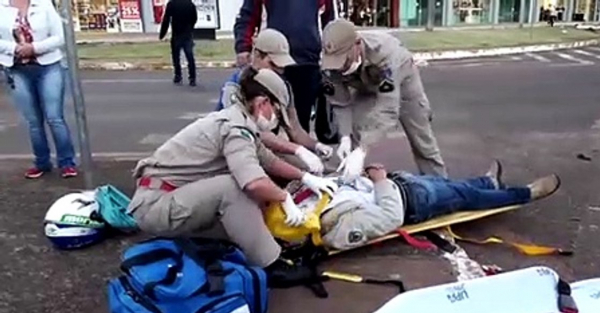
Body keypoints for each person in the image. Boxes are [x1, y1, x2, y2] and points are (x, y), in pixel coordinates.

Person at [127, 68, 338, 277]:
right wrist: (284, 198)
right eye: (276, 110)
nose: (276, 119)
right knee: (234, 187)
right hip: (157, 206)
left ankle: (263, 247)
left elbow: (268, 160)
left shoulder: (239, 120)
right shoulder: (235, 129)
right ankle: (271, 266)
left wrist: (305, 177)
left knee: (249, 194)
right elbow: (253, 182)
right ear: (262, 103)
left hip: (168, 198)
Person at [317, 161, 561, 251]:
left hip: (403, 185)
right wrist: (380, 181)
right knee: (470, 197)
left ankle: (489, 181)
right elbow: (391, 218)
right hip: (414, 201)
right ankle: (527, 193)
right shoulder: (334, 231)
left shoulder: (308, 202)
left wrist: (362, 174)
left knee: (458, 187)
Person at [320, 18, 447, 182]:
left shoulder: (385, 54)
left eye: (344, 59)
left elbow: (388, 109)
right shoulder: (329, 63)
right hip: (364, 85)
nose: (340, 66)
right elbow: (340, 103)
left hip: (403, 79)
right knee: (356, 128)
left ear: (357, 44)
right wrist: (344, 136)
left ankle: (441, 185)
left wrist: (362, 150)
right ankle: (353, 181)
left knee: (422, 141)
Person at [216, 29, 334, 174]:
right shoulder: (235, 88)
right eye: (273, 64)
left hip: (272, 150)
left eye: (282, 66)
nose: (279, 71)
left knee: (323, 170)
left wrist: (317, 146)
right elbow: (253, 134)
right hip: (239, 152)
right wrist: (297, 150)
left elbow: (295, 129)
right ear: (257, 55)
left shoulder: (281, 85)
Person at [233, 0, 336, 143]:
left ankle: (298, 156)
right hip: (272, 58)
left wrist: (331, 52)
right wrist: (243, 47)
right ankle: (266, 156)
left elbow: (329, 23)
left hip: (308, 61)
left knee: (299, 120)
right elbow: (247, 16)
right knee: (267, 116)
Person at [0, 0, 78, 179]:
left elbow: (60, 36)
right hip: (17, 68)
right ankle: (42, 163)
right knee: (33, 121)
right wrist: (15, 48)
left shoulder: (43, 4)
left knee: (54, 117)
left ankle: (67, 163)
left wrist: (34, 48)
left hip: (48, 66)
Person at [159, 0, 198, 86]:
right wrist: (190, 28)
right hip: (187, 33)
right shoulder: (190, 4)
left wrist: (162, 34)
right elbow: (194, 18)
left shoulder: (172, 4)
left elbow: (166, 19)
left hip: (176, 33)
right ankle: (192, 78)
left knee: (176, 56)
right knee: (190, 56)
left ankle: (178, 75)